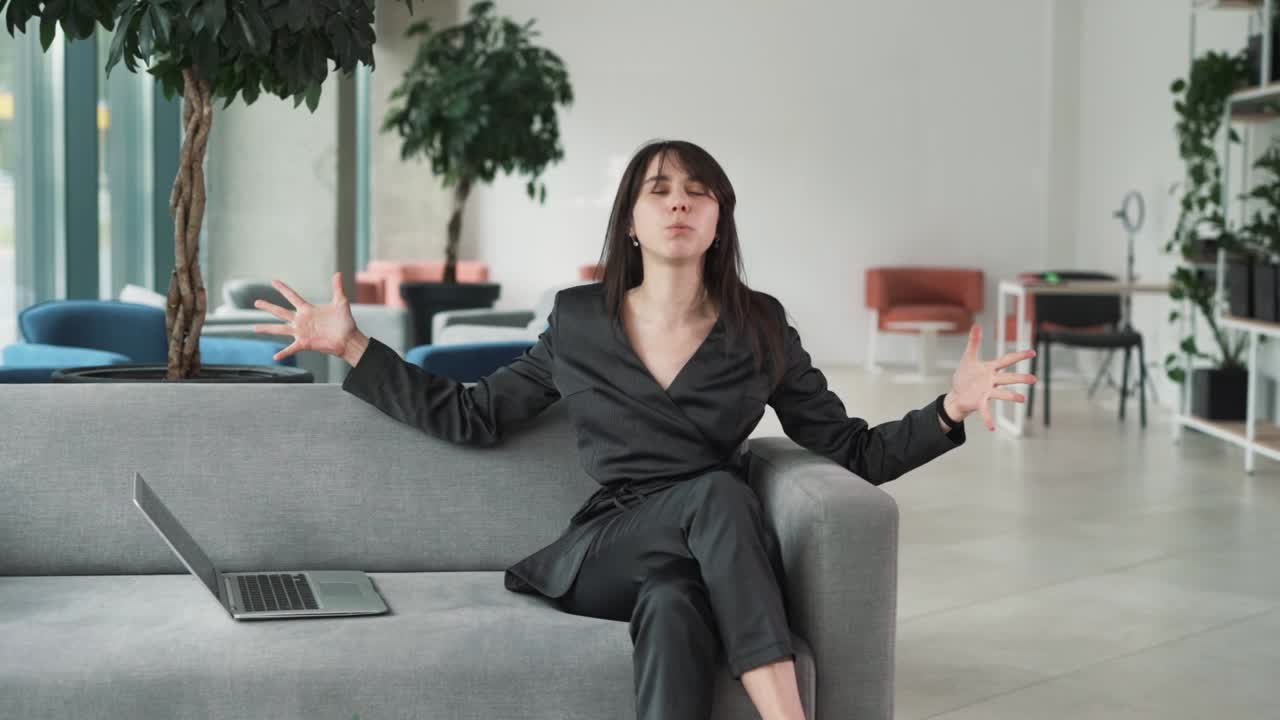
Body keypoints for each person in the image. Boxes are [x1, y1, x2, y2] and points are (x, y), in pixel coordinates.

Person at [254, 139, 1036, 720]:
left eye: (698, 193)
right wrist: (352, 348)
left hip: (700, 560)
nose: (679, 204)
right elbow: (474, 413)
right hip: (608, 548)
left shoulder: (760, 327)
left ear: (720, 219)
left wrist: (949, 409)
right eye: (659, 191)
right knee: (717, 496)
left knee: (673, 606)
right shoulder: (579, 319)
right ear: (631, 218)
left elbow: (853, 450)